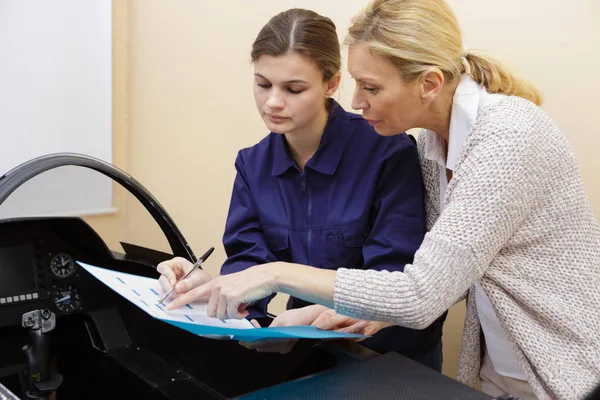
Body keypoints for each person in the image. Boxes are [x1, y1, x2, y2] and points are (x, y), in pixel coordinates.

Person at [167, 1, 600, 399]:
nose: (356, 102)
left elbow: (419, 292)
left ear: (429, 83)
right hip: (499, 363)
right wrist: (219, 292)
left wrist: (280, 275)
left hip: (566, 366)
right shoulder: (434, 144)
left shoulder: (507, 137)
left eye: (370, 87)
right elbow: (445, 272)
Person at [158, 8, 446, 370]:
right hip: (310, 355)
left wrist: (314, 315)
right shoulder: (253, 164)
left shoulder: (388, 150)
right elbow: (250, 265)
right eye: (263, 84)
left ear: (331, 84)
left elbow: (393, 280)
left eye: (294, 89)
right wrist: (211, 291)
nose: (273, 102)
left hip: (391, 358)